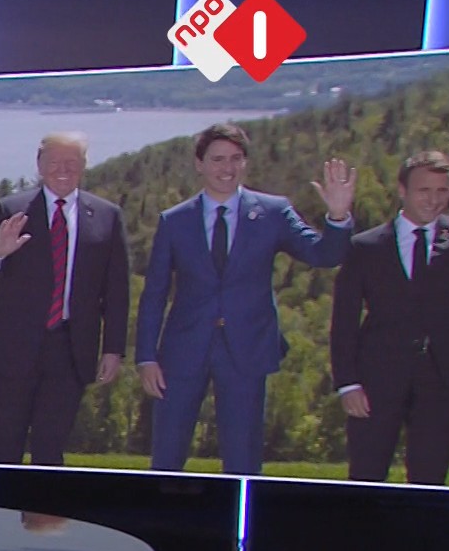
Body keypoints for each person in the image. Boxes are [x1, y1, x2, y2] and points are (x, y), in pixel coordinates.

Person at [135, 123, 355, 475]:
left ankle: (239, 514)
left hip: (247, 351)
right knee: (167, 457)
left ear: (245, 162)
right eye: (218, 159)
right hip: (182, 353)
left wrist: (338, 216)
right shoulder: (174, 221)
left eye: (235, 158)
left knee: (243, 461)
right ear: (199, 164)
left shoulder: (273, 212)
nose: (228, 168)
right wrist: (146, 357)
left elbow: (324, 255)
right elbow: (154, 294)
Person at [0, 132, 130, 465]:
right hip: (10, 350)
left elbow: (116, 290)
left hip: (69, 351)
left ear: (84, 165)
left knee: (50, 452)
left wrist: (113, 349)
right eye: (54, 162)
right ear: (39, 165)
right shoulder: (12, 209)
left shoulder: (107, 216)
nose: (62, 170)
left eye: (71, 162)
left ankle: (42, 503)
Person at [331, 150, 449, 484]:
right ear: (402, 190)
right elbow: (344, 320)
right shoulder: (366, 247)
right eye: (424, 190)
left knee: (430, 483)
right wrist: (348, 383)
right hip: (376, 382)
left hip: (443, 385)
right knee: (366, 477)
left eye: (442, 191)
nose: (433, 200)